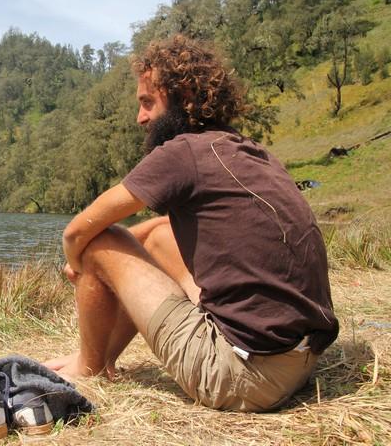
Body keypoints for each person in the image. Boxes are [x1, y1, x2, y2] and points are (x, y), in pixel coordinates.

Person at [43, 35, 339, 412]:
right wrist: (111, 269)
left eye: (148, 102)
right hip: (298, 360)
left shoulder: (182, 152)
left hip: (242, 377)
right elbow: (155, 232)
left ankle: (88, 366)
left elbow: (77, 230)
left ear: (181, 96)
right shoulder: (247, 149)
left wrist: (84, 260)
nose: (141, 117)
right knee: (158, 233)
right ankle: (107, 358)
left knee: (101, 239)